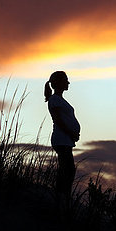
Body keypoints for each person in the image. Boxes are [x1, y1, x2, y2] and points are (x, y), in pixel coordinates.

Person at [45, 71, 80, 203]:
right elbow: (58, 120)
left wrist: (73, 133)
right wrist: (71, 133)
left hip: (66, 139)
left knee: (67, 169)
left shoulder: (59, 99)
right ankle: (62, 196)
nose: (68, 83)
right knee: (67, 169)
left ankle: (64, 195)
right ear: (58, 82)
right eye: (66, 80)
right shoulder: (54, 100)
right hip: (61, 138)